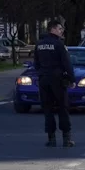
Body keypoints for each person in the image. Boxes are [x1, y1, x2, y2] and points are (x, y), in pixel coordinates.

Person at [32, 17, 75, 148]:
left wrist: (41, 73)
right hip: (58, 80)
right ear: (53, 29)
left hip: (44, 80)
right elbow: (67, 63)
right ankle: (66, 139)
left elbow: (36, 63)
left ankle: (51, 139)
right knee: (63, 108)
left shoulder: (39, 44)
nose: (62, 31)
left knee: (47, 109)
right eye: (60, 28)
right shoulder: (59, 44)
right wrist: (72, 79)